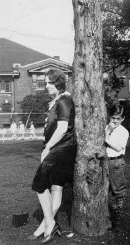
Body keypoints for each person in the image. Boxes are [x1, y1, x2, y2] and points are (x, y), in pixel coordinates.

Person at [28, 70, 77, 243]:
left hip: (62, 148)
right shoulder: (58, 100)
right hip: (59, 148)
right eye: (46, 83)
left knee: (39, 184)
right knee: (56, 187)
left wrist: (47, 148)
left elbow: (63, 129)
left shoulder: (64, 100)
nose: (46, 86)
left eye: (49, 83)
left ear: (58, 83)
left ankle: (50, 224)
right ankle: (44, 227)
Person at [105, 104, 129, 211]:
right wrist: (107, 131)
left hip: (116, 161)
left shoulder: (122, 131)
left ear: (122, 119)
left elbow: (118, 147)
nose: (115, 121)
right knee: (106, 184)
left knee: (118, 185)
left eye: (118, 118)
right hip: (105, 160)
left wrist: (105, 139)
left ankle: (120, 207)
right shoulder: (108, 127)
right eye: (113, 118)